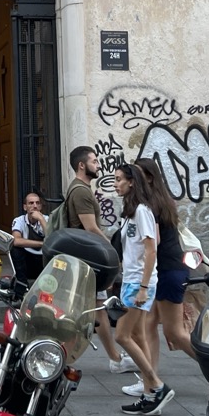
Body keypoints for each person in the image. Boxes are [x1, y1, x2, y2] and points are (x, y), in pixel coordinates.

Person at [121, 158, 196, 400]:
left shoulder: (148, 206)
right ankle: (149, 380)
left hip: (164, 271)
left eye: (137, 175)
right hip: (161, 271)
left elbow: (154, 245)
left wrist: (143, 283)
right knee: (148, 326)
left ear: (148, 178)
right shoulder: (157, 202)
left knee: (175, 333)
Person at [110, 163, 174, 416]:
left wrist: (144, 287)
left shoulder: (143, 212)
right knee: (137, 336)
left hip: (139, 283)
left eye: (118, 180)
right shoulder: (131, 211)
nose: (115, 184)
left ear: (132, 182)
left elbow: (151, 249)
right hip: (132, 280)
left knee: (122, 336)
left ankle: (157, 385)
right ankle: (150, 394)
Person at [64, 145, 126, 371]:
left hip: (85, 260)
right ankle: (61, 359)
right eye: (95, 161)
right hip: (87, 260)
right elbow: (90, 228)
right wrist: (111, 250)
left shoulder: (82, 189)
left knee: (96, 310)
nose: (99, 165)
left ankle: (115, 358)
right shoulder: (80, 191)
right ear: (82, 165)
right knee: (85, 312)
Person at [10, 192, 46, 286]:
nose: (35, 206)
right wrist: (42, 244)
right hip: (27, 261)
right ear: (25, 207)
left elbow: (52, 240)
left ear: (40, 206)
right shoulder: (19, 220)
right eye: (31, 203)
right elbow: (16, 241)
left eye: (37, 203)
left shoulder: (47, 219)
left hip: (44, 260)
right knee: (15, 249)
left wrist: (41, 220)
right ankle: (22, 286)